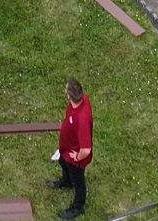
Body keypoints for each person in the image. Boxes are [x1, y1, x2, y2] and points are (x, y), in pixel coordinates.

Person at [53, 77, 93, 218]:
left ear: (69, 95)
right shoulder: (82, 100)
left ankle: (78, 206)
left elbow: (86, 149)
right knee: (62, 162)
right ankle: (66, 182)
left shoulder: (81, 119)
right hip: (66, 150)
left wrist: (77, 157)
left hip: (75, 157)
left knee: (79, 181)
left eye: (66, 89)